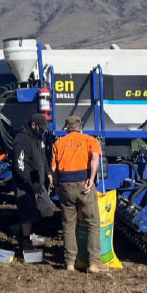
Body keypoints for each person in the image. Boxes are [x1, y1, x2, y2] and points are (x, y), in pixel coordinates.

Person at [51, 115, 107, 272]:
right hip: (84, 186)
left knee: (68, 225)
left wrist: (56, 185)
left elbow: (54, 169)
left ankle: (69, 263)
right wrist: (91, 178)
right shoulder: (91, 141)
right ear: (80, 127)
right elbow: (95, 159)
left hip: (65, 186)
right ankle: (94, 263)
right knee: (93, 223)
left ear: (67, 128)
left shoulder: (58, 143)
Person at [11, 113, 53, 250]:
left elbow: (43, 158)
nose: (42, 131)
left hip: (38, 182)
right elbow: (19, 165)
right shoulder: (21, 139)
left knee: (46, 209)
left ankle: (20, 230)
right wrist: (29, 182)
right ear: (33, 125)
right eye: (41, 128)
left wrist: (48, 173)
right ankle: (25, 240)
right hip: (25, 184)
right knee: (27, 213)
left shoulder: (40, 138)